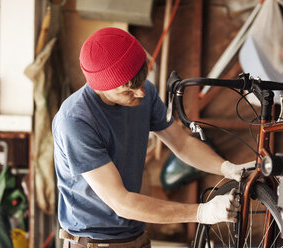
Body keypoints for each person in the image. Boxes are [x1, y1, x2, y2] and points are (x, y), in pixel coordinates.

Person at [52, 27, 255, 248]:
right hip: (95, 243)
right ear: (100, 88)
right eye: (128, 90)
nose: (140, 93)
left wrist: (227, 168)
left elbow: (183, 143)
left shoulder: (143, 92)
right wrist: (201, 212)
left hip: (137, 236)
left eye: (141, 82)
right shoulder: (75, 122)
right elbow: (121, 202)